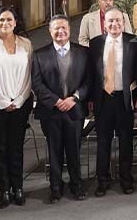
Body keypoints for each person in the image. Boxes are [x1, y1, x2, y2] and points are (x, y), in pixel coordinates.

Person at [30, 15, 90, 204]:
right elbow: (37, 84)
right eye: (56, 28)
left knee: (74, 150)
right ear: (50, 31)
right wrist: (56, 101)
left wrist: (74, 98)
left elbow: (89, 81)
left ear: (69, 29)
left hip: (74, 109)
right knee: (54, 150)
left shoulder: (83, 52)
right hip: (51, 111)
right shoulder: (39, 54)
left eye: (64, 27)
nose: (60, 31)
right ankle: (55, 187)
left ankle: (76, 184)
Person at [0, 7, 33, 208]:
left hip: (21, 103)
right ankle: (5, 190)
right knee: (0, 148)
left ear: (15, 22)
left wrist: (19, 100)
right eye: (1, 20)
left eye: (9, 19)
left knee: (17, 147)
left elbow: (29, 76)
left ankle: (18, 187)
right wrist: (2, 101)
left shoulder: (26, 44)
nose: (5, 23)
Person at [89, 9, 137, 197]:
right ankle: (102, 180)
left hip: (125, 99)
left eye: (118, 21)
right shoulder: (95, 43)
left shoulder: (135, 41)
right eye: (111, 21)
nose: (114, 24)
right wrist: (90, 99)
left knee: (126, 142)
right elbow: (91, 74)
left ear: (124, 22)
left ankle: (126, 179)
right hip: (103, 99)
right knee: (103, 142)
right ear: (105, 23)